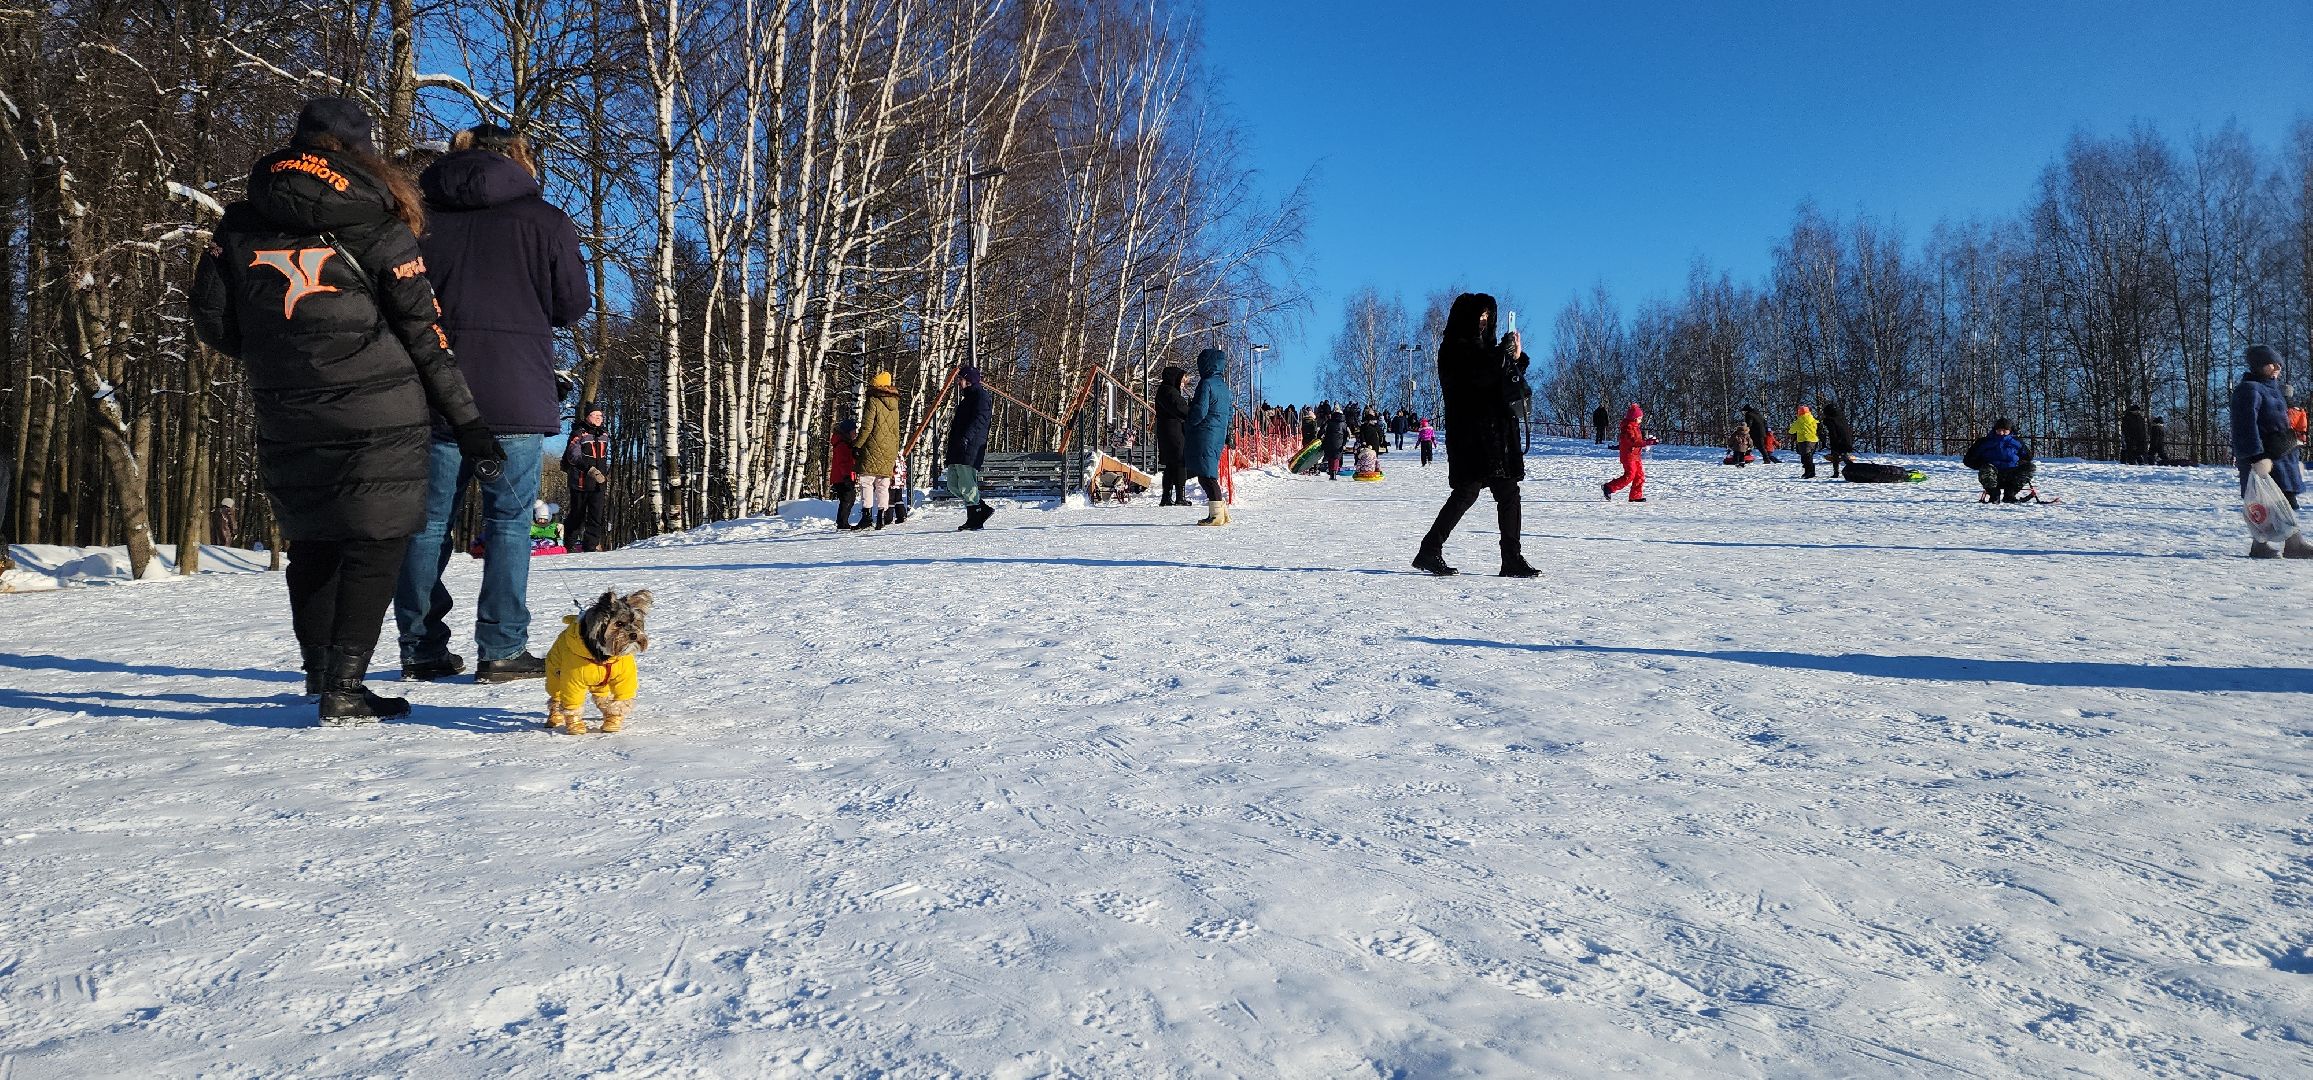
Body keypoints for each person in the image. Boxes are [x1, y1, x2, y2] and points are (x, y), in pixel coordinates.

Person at [190, 97, 501, 725]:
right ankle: (346, 684)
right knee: (376, 537)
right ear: (361, 151)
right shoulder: (381, 226)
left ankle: (318, 671)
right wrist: (470, 427)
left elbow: (213, 321)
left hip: (284, 405)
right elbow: (426, 337)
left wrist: (282, 352)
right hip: (378, 407)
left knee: (313, 538)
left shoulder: (241, 222)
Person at [395, 122, 591, 685]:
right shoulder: (545, 220)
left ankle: (422, 648)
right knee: (508, 523)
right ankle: (502, 648)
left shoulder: (417, 219)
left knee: (427, 523)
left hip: (432, 387)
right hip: (513, 391)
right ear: (519, 159)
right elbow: (571, 305)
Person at [1414, 293, 1537, 578]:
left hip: (1494, 435)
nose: (1483, 322)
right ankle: (1434, 550)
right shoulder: (1453, 349)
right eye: (1478, 316)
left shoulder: (1488, 349)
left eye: (1487, 316)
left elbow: (1501, 381)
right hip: (1474, 435)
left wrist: (1516, 359)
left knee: (1493, 493)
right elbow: (1477, 378)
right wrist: (1502, 357)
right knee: (1483, 493)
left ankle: (1506, 558)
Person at [2231, 344, 2313, 558]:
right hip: (2265, 456)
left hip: (2281, 454)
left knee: (2278, 500)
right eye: (2271, 363)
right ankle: (2293, 545)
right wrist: (2256, 456)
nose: (2277, 367)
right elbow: (2245, 425)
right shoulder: (2249, 389)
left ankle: (2260, 546)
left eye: (2278, 363)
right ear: (2258, 366)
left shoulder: (2273, 389)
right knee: (2274, 500)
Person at [1184, 349, 1235, 525]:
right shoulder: (1224, 387)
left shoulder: (1206, 384)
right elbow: (1230, 413)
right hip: (1218, 433)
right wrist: (1228, 433)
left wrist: (1188, 422)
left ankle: (1216, 515)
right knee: (1208, 472)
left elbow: (1200, 411)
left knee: (1206, 475)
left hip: (1205, 432)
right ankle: (1223, 512)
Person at [946, 365, 995, 530]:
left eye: (961, 379)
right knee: (953, 484)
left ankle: (975, 518)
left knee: (967, 484)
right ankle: (982, 509)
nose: (959, 382)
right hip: (958, 447)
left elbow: (980, 419)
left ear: (969, 380)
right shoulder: (967, 399)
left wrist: (967, 437)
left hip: (970, 445)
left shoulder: (981, 397)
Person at [561, 402, 611, 552]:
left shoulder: (604, 434)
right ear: (587, 417)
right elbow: (573, 456)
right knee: (578, 514)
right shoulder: (578, 433)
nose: (598, 418)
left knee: (596, 515)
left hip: (599, 483)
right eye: (594, 415)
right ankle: (569, 545)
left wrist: (604, 474)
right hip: (580, 481)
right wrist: (590, 470)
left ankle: (590, 546)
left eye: (600, 415)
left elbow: (604, 457)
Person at [855, 371, 901, 529]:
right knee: (883, 483)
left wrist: (857, 445)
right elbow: (896, 430)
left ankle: (866, 516)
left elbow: (867, 427)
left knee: (867, 482)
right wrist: (895, 450)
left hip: (873, 446)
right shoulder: (895, 403)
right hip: (890, 448)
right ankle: (882, 516)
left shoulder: (873, 400)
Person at [1966, 420, 2033, 503]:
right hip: (1992, 474)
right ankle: (1994, 495)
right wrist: (1981, 465)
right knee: (1987, 468)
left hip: (2012, 474)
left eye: (2005, 431)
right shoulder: (1984, 442)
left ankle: (2010, 494)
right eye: (1999, 430)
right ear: (1995, 430)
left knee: (2030, 467)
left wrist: (2020, 462)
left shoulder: (2017, 442)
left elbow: (2028, 457)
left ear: (2010, 431)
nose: (2001, 433)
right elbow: (1968, 459)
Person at [1602, 403, 1656, 502]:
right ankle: (1609, 487)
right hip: (1628, 456)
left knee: (1640, 475)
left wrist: (1646, 440)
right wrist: (1648, 442)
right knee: (1630, 475)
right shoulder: (1627, 428)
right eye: (1640, 418)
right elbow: (1633, 441)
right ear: (1635, 418)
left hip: (1636, 455)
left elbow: (1637, 440)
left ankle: (1635, 496)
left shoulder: (1635, 427)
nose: (1641, 420)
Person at [1155, 365, 1191, 507]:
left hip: (1166, 430)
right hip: (1173, 430)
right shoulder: (1170, 391)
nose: (1182, 383)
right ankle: (1180, 496)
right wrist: (1192, 409)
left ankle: (1166, 496)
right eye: (1181, 379)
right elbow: (1180, 409)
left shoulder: (1164, 390)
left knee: (1170, 464)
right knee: (1180, 462)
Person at [828, 419, 862, 530]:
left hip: (843, 476)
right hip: (842, 477)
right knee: (848, 499)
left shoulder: (845, 442)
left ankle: (842, 522)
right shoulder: (842, 444)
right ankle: (842, 523)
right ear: (847, 432)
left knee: (848, 499)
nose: (855, 434)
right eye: (853, 432)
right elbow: (843, 462)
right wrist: (847, 476)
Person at [1819, 398, 1855, 478]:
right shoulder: (1841, 417)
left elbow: (1833, 432)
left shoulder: (1830, 420)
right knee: (1844, 456)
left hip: (1837, 441)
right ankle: (1852, 470)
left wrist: (1834, 442)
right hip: (1846, 439)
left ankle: (1837, 472)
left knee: (1837, 456)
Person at [1787, 405, 1820, 478]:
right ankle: (1809, 472)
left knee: (1805, 457)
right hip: (1814, 440)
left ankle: (1810, 472)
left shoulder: (1799, 421)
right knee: (1809, 456)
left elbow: (1791, 431)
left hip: (1804, 441)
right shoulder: (1813, 419)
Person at [1321, 409, 1349, 479]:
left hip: (1329, 441)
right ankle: (1334, 473)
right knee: (1336, 458)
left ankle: (1331, 473)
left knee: (1330, 457)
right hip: (1339, 442)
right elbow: (1346, 434)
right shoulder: (1344, 424)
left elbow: (1323, 430)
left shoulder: (1329, 422)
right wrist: (1344, 444)